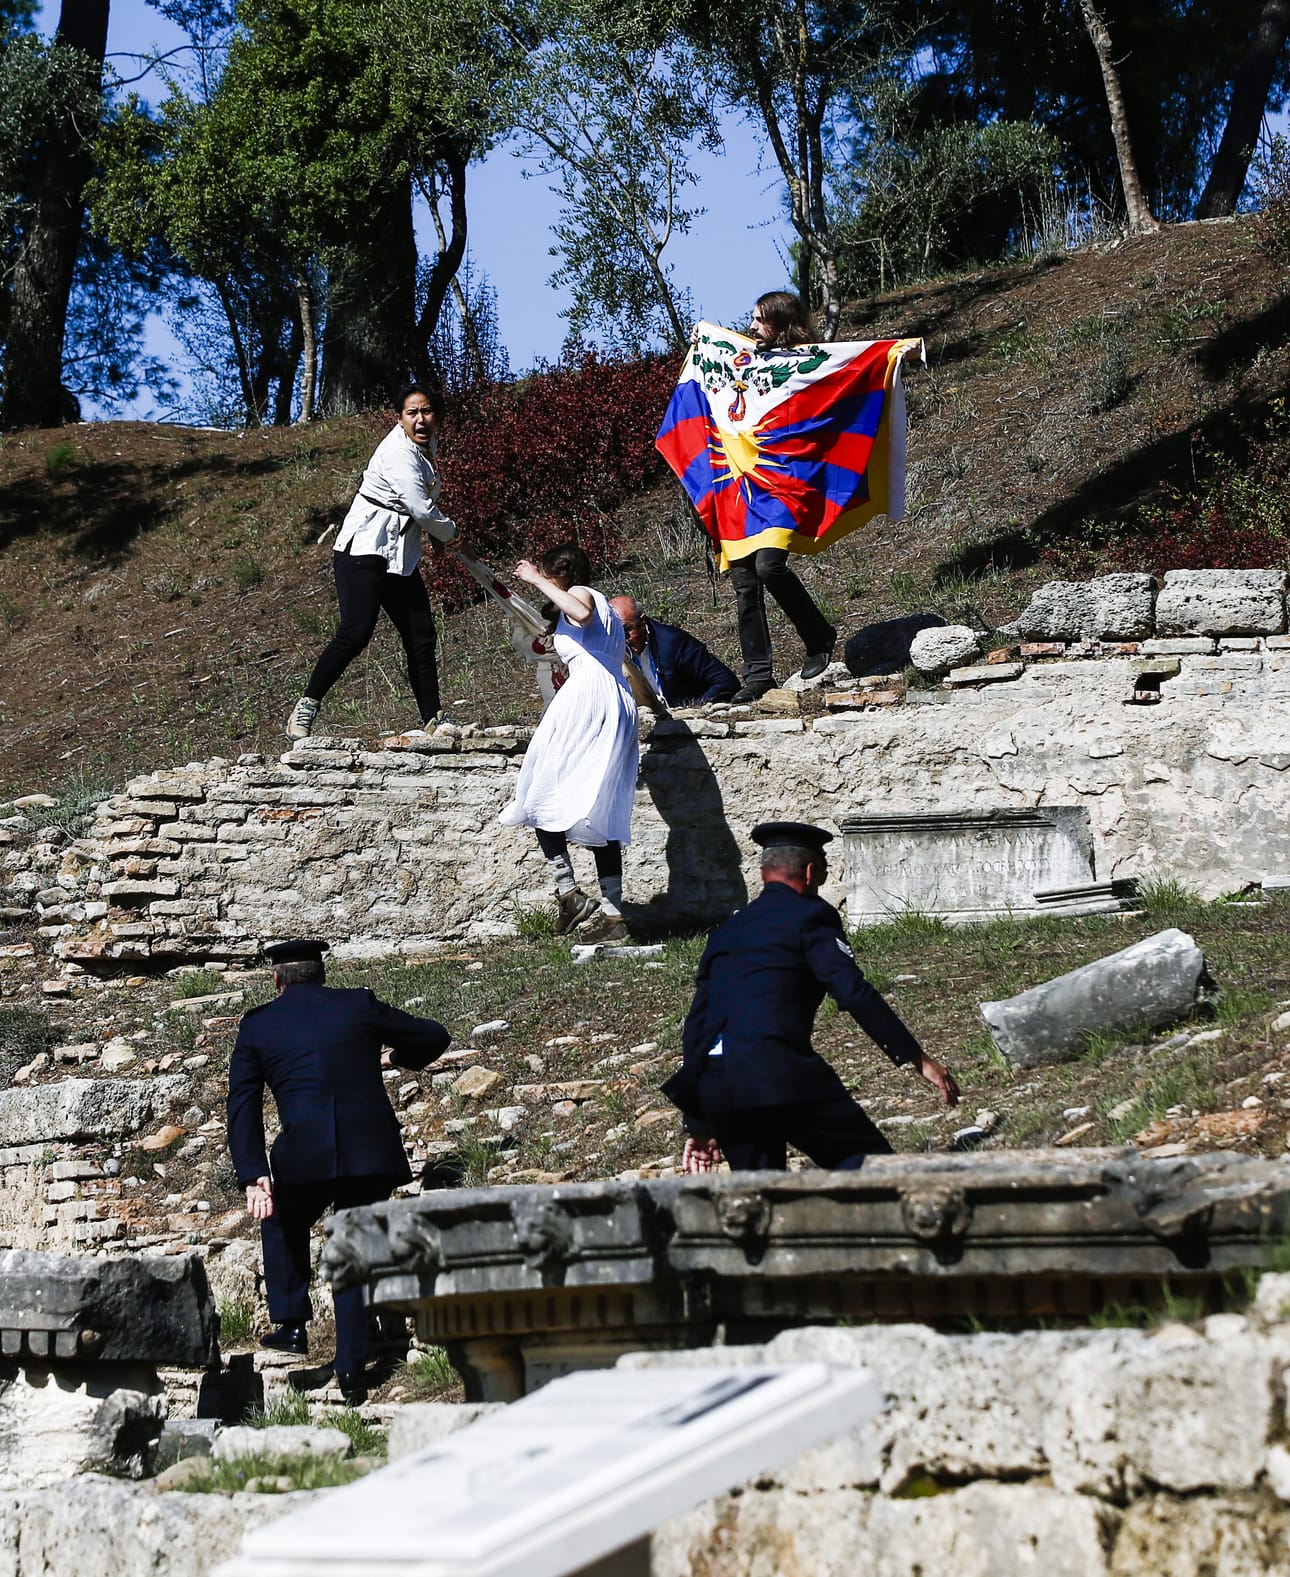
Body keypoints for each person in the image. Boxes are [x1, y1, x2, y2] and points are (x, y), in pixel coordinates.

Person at [226, 938, 451, 1403]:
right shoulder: (358, 1005)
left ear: (276, 980)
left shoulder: (260, 1025)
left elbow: (242, 1106)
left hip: (302, 1158)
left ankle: (291, 1325)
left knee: (281, 1218)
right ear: (321, 974)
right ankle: (351, 1369)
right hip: (369, 1154)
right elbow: (433, 1036)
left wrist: (254, 1174)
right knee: (353, 1247)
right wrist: (395, 1058)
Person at [662, 821, 959, 1172]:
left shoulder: (725, 932)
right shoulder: (812, 916)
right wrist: (916, 1058)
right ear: (809, 872)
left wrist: (700, 1123)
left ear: (762, 874)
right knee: (869, 1170)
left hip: (718, 1084)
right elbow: (853, 991)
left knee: (762, 1198)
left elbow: (699, 1024)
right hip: (776, 1070)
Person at [286, 382, 458, 741]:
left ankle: (433, 718)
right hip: (364, 550)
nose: (421, 419)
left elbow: (420, 505)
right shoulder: (399, 451)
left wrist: (434, 535)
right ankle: (306, 706)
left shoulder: (426, 446)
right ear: (400, 418)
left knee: (420, 635)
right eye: (412, 413)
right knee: (356, 632)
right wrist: (452, 535)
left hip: (400, 553)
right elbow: (418, 504)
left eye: (426, 411)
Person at [499, 543, 638, 945]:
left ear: (557, 572)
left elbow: (579, 611)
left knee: (537, 790)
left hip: (588, 699)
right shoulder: (605, 613)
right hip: (612, 698)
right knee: (599, 804)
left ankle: (568, 892)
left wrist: (534, 579)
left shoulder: (585, 596)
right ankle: (612, 912)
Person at [727, 292, 839, 703]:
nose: (753, 327)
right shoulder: (747, 360)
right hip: (741, 482)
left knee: (769, 567)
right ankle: (757, 675)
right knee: (744, 580)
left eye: (760, 320)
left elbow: (850, 368)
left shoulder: (806, 364)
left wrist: (896, 354)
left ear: (781, 322)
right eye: (752, 319)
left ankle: (818, 634)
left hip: (787, 479)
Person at [608, 596, 739, 708]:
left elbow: (725, 681)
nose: (622, 639)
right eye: (615, 632)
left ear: (642, 621)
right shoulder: (608, 651)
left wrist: (696, 707)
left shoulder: (673, 643)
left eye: (627, 630)